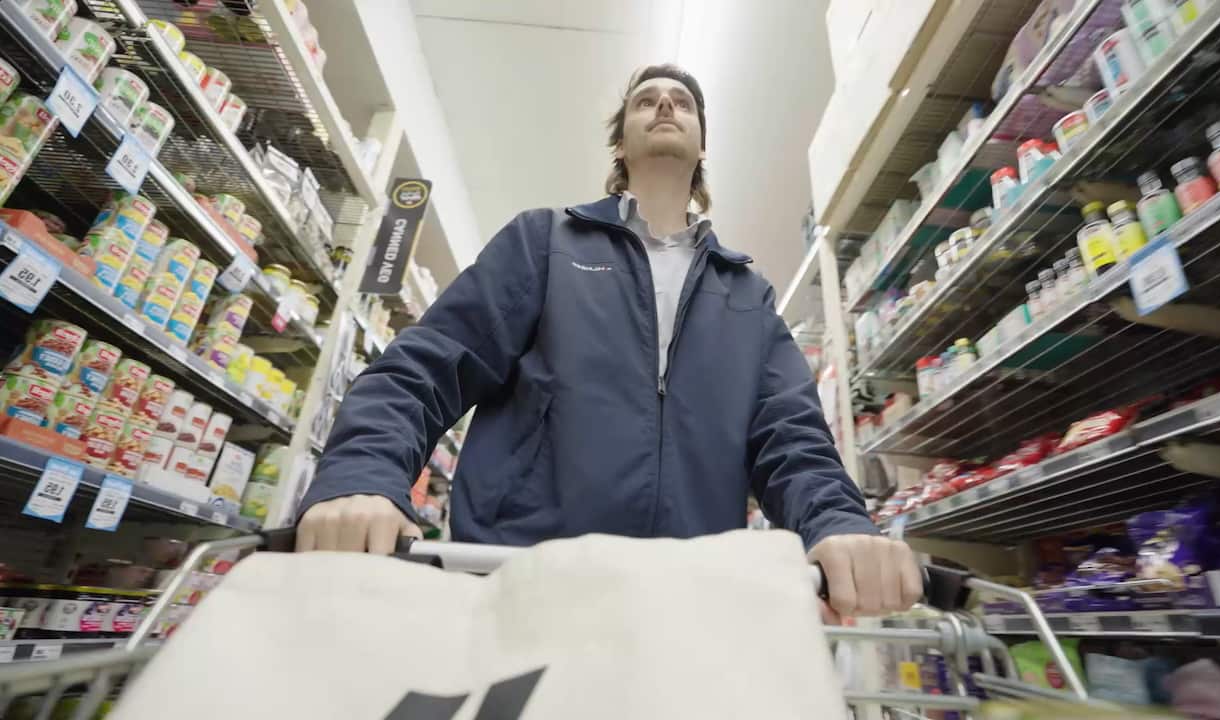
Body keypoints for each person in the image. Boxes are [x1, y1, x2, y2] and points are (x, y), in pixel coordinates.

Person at [296, 64, 921, 619]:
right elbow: (424, 369)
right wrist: (361, 477)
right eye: (646, 100)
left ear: (703, 144)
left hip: (684, 602)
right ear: (620, 143)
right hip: (519, 586)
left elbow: (793, 440)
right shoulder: (545, 243)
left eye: (683, 101)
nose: (667, 106)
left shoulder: (746, 295)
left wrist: (837, 525)